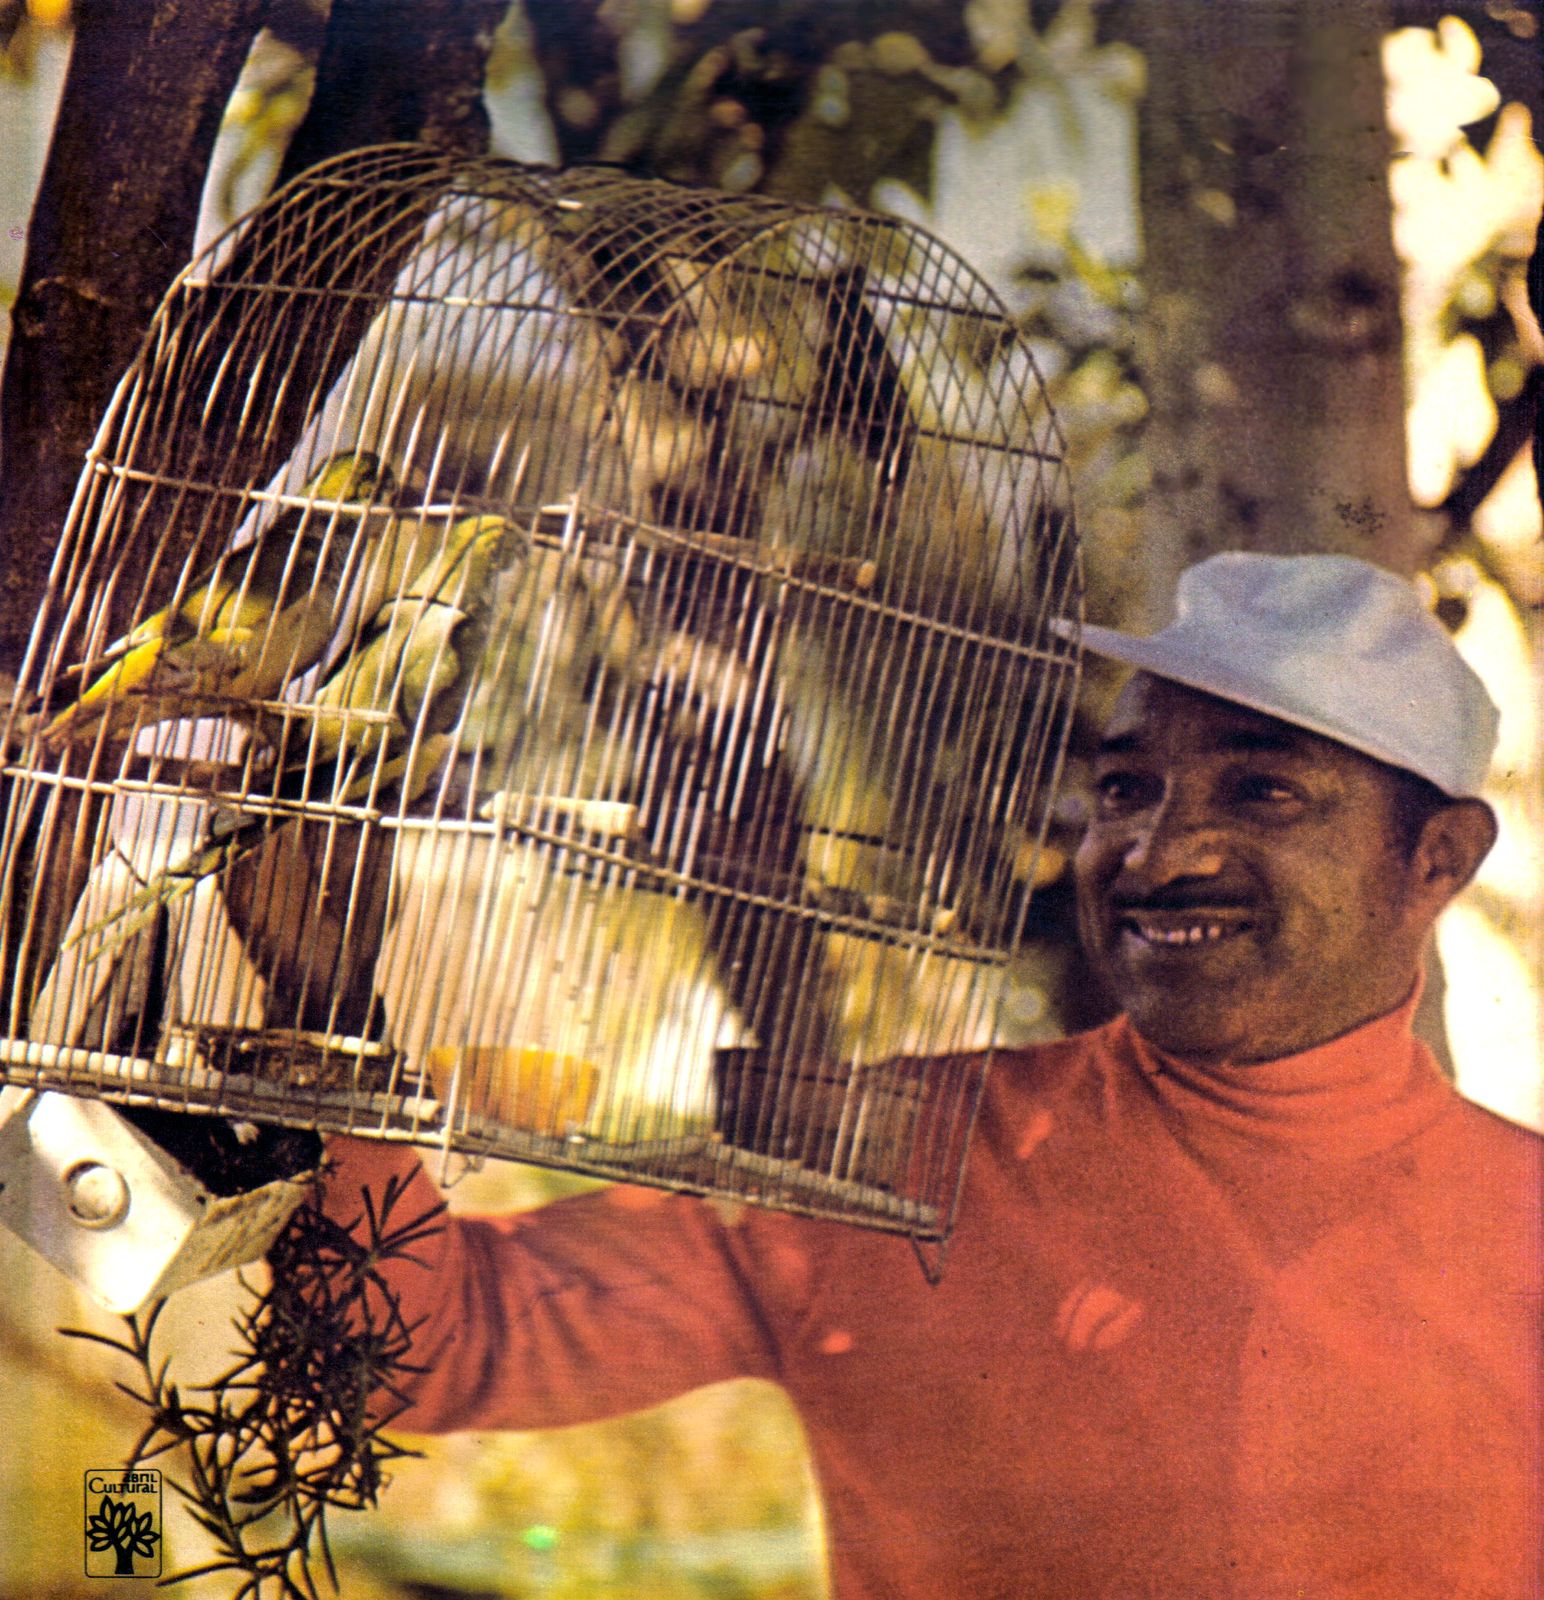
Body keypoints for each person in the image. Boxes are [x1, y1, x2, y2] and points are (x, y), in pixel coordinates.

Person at [322, 551, 1541, 1599]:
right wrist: (321, 1005)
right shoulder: (901, 1146)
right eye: (1124, 789)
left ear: (1437, 855)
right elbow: (420, 1346)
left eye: (1263, 790)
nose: (1160, 852)